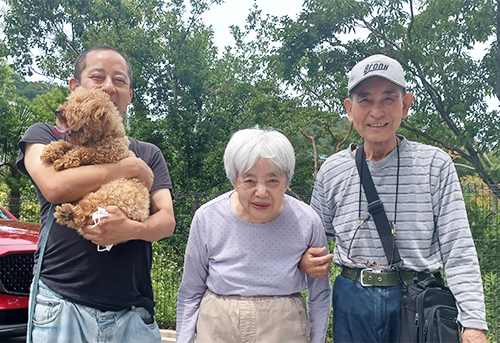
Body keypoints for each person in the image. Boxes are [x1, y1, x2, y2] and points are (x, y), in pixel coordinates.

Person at [300, 54, 488, 343]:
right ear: (350, 109)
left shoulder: (434, 165)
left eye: (389, 99)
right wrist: (306, 260)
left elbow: (458, 248)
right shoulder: (332, 170)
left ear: (406, 104)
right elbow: (311, 241)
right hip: (351, 300)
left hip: (416, 302)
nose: (377, 111)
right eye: (365, 100)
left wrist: (473, 324)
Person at [17, 45, 175, 343]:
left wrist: (131, 230)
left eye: (120, 80)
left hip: (132, 313)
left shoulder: (149, 154)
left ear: (130, 95)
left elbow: (166, 221)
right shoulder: (44, 136)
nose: (109, 87)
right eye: (97, 76)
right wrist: (128, 168)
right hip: (61, 306)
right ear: (75, 87)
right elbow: (54, 188)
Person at [176, 128, 331, 343]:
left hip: (283, 326)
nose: (261, 192)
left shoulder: (307, 220)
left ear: (287, 180)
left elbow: (320, 294)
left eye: (273, 181)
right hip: (218, 326)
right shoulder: (207, 217)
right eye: (249, 181)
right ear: (234, 179)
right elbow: (190, 292)